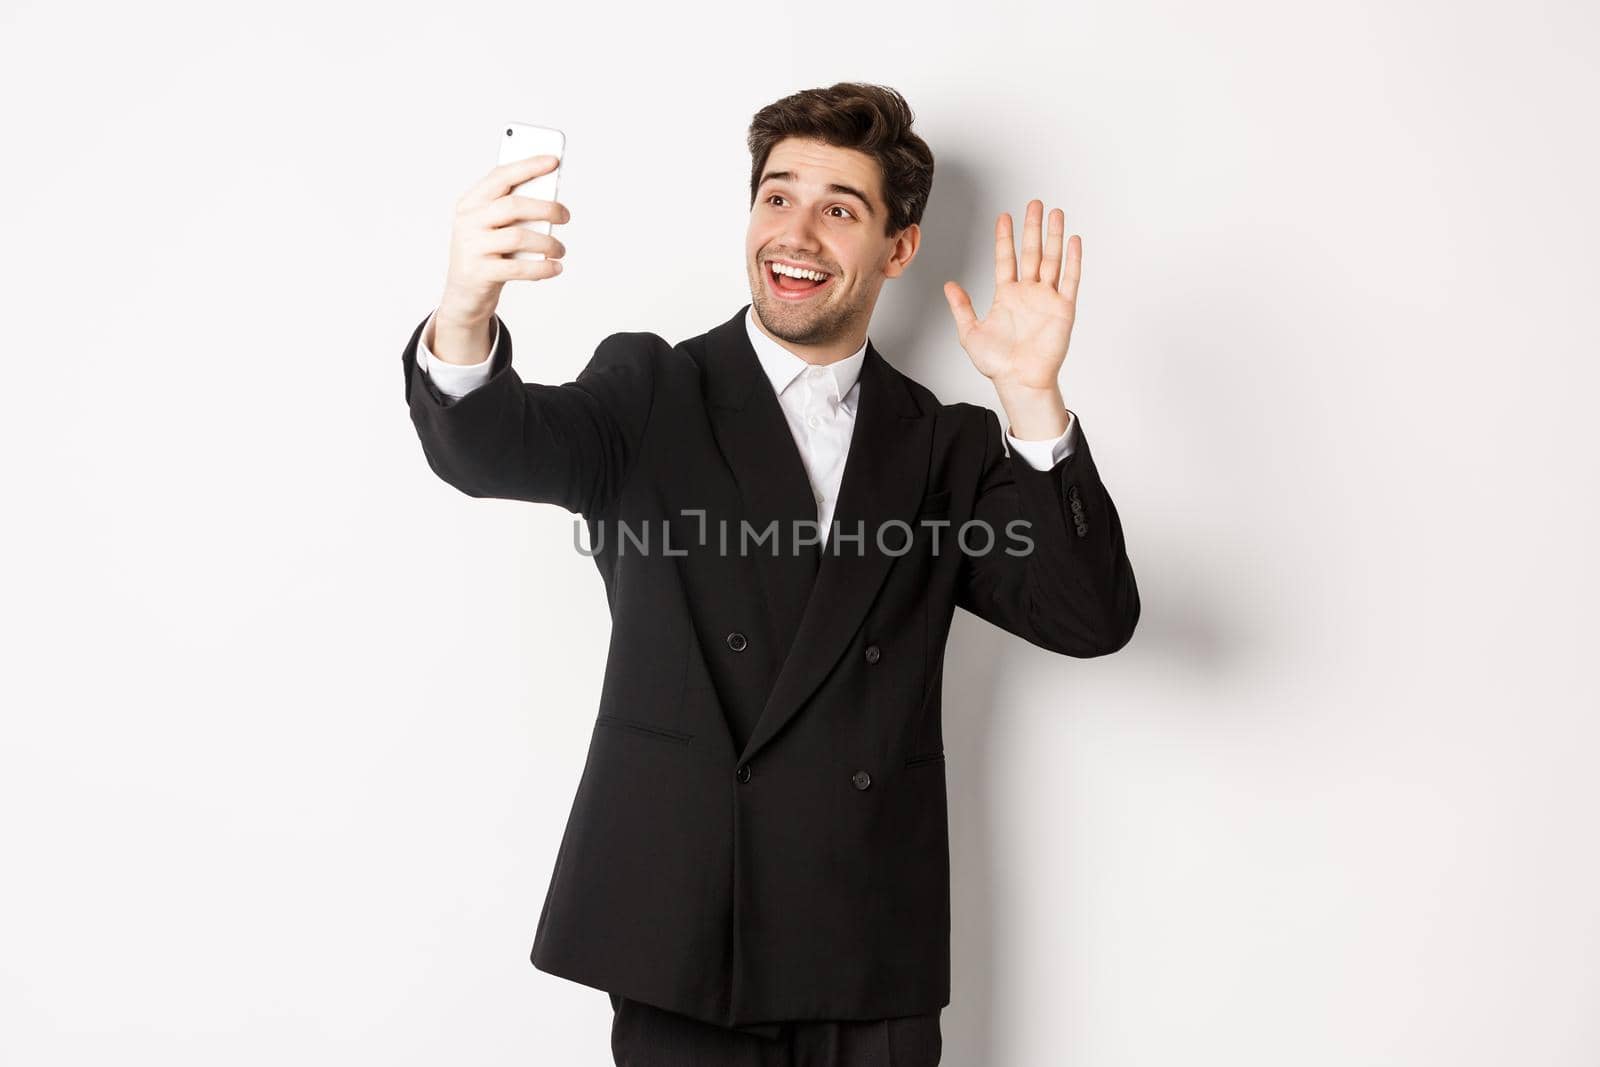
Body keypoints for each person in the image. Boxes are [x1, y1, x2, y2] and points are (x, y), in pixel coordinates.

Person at [400, 82, 1140, 1067]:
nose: (794, 232)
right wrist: (464, 307)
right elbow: (486, 448)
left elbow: (1087, 616)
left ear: (899, 249)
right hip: (689, 938)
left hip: (868, 946)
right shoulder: (651, 390)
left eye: (839, 208)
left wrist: (1035, 406)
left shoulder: (943, 447)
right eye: (776, 196)